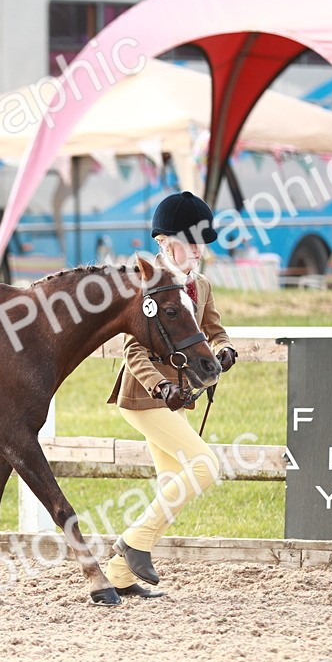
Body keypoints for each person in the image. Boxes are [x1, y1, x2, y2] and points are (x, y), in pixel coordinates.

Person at [104, 191, 238, 599]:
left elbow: (214, 331)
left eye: (202, 241)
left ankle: (118, 575)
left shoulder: (201, 286)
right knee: (205, 467)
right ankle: (133, 543)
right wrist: (160, 385)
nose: (199, 249)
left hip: (178, 398)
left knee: (171, 486)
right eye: (191, 240)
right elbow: (133, 350)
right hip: (145, 399)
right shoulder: (149, 284)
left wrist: (223, 349)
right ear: (165, 243)